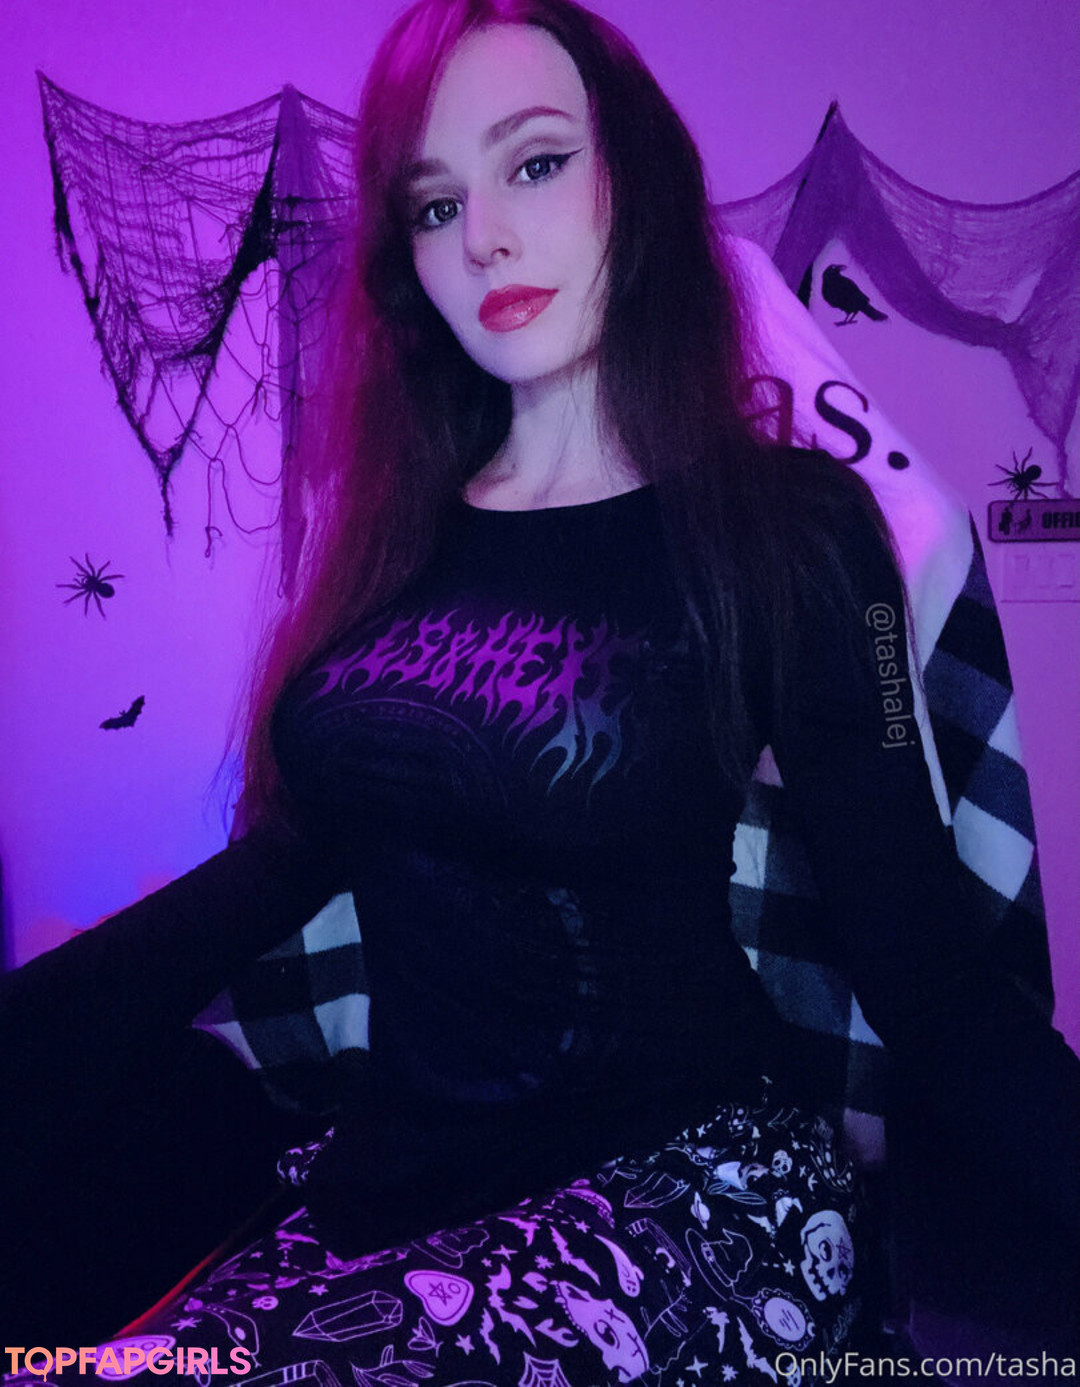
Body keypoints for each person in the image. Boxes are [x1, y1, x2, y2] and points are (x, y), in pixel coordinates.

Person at [2, 0, 1077, 1377]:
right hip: (388, 1193)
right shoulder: (396, 535)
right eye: (436, 205)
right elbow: (265, 877)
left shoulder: (794, 532)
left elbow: (933, 981)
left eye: (536, 163)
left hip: (688, 1192)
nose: (485, 240)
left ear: (636, 178)